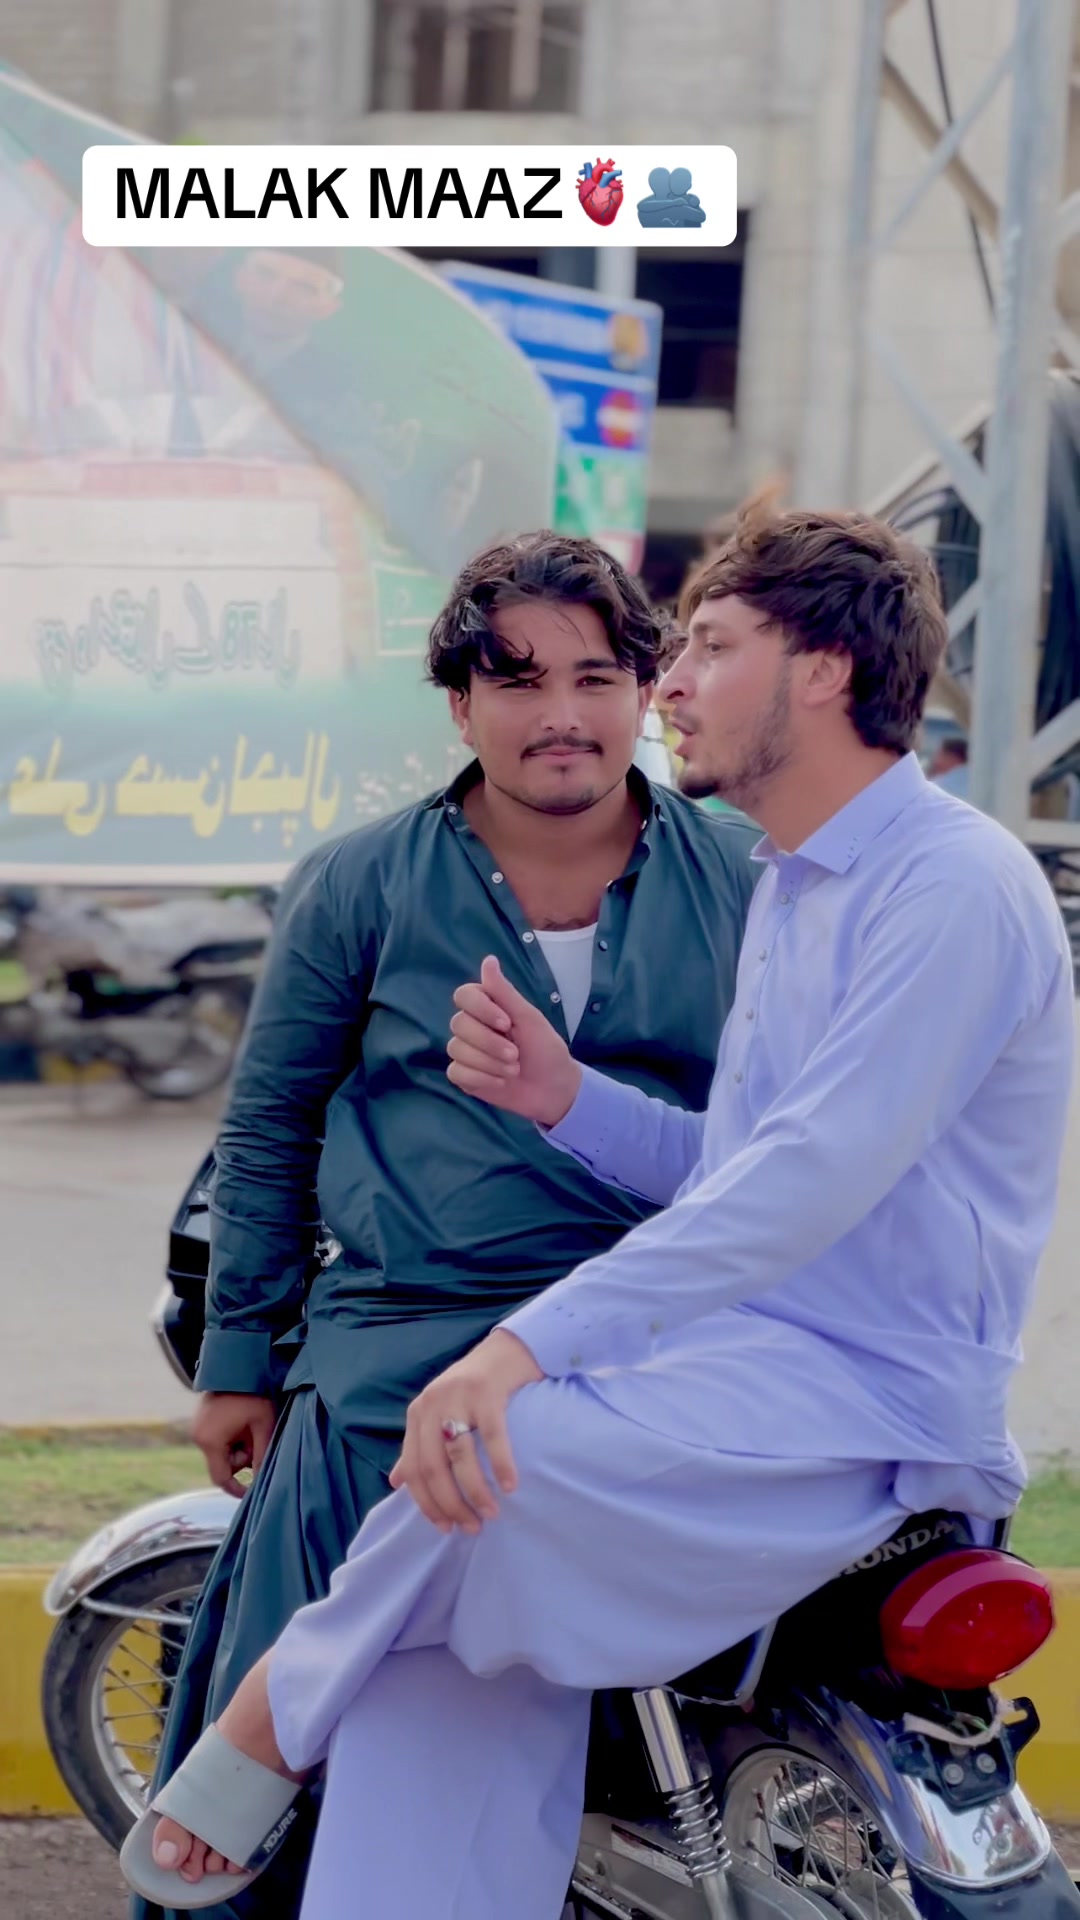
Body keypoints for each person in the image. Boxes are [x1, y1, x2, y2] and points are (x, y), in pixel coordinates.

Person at [139, 499, 1075, 1920]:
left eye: (705, 649)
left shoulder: (947, 886)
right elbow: (735, 1163)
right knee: (444, 1646)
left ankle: (269, 1716)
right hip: (717, 1356)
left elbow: (803, 1180)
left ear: (824, 670)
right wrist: (567, 1098)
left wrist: (519, 1348)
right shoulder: (795, 885)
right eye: (527, 678)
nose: (667, 687)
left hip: (856, 1393)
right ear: (462, 703)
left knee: (490, 1451)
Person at [131, 530, 758, 1920]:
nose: (561, 714)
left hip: (661, 1326)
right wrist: (239, 1361)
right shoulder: (360, 881)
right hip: (400, 1342)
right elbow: (270, 1127)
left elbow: (792, 1137)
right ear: (461, 705)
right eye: (517, 680)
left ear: (645, 690)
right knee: (298, 1707)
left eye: (594, 677)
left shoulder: (748, 875)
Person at [929, 733, 970, 798]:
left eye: (940, 754)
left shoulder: (942, 784)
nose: (935, 760)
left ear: (952, 757)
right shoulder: (976, 778)